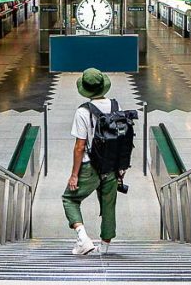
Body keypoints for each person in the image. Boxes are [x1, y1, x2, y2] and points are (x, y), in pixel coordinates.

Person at [62, 67, 126, 255]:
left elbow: (80, 147)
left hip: (91, 166)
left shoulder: (83, 111)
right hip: (112, 165)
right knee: (108, 204)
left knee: (69, 199)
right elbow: (123, 138)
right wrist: (122, 166)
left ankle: (83, 239)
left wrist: (74, 175)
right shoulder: (116, 106)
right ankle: (104, 248)